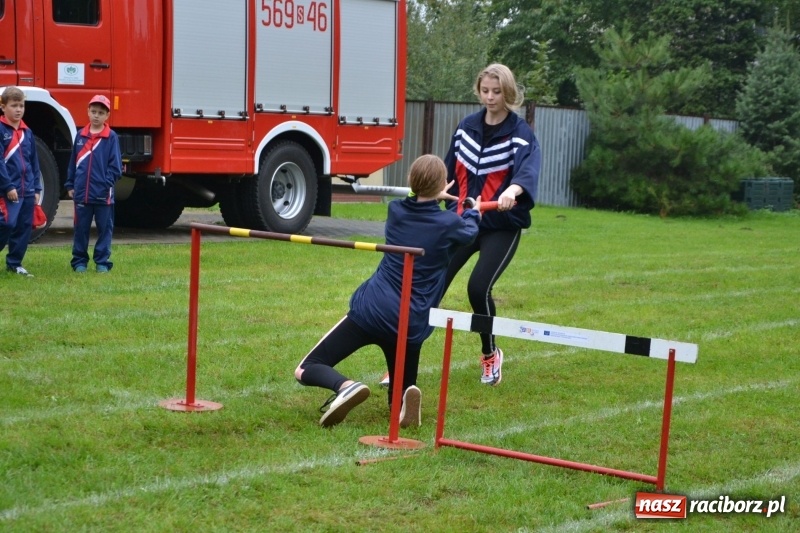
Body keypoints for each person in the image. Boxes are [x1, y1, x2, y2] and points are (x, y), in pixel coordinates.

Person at [294, 155, 482, 427]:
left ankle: (345, 386)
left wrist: (431, 191)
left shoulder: (396, 211)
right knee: (399, 398)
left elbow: (415, 204)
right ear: (443, 185)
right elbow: (469, 231)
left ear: (410, 182)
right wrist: (472, 209)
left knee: (305, 368)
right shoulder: (449, 225)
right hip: (410, 323)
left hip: (372, 310)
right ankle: (403, 400)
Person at [442, 63, 541, 386]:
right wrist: (436, 190)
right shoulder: (466, 126)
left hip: (501, 224)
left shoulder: (521, 133)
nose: (490, 97)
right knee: (432, 283)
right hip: (465, 220)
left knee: (477, 288)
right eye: (485, 91)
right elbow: (448, 168)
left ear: (508, 93)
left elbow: (526, 173)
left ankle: (490, 355)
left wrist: (512, 191)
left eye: (497, 92)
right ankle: (402, 357)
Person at [65, 95, 122, 273]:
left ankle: (102, 262)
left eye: (101, 112)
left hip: (103, 194)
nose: (96, 115)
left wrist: (106, 184)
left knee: (105, 228)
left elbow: (116, 167)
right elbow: (73, 162)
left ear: (107, 115)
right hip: (82, 193)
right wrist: (70, 184)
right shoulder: (80, 136)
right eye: (94, 111)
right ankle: (79, 261)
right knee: (80, 229)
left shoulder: (111, 137)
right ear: (88, 112)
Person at [0, 86, 41, 277]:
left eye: (21, 105)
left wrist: (37, 187)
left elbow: (34, 161)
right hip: (8, 189)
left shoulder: (28, 132)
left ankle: (15, 263)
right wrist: (7, 186)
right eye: (14, 105)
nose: (18, 109)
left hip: (27, 190)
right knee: (6, 224)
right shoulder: (1, 130)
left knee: (24, 226)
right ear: (3, 107)